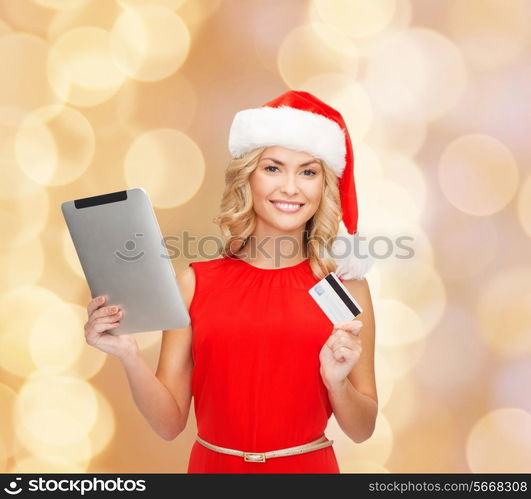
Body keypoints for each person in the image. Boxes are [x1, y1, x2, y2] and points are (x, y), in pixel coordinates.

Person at [84, 90, 377, 473]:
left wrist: (336, 382)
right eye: (273, 168)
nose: (291, 187)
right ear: (248, 177)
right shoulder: (194, 283)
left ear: (324, 187)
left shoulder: (346, 289)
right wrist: (129, 354)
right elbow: (170, 423)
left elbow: (363, 428)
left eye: (308, 171)